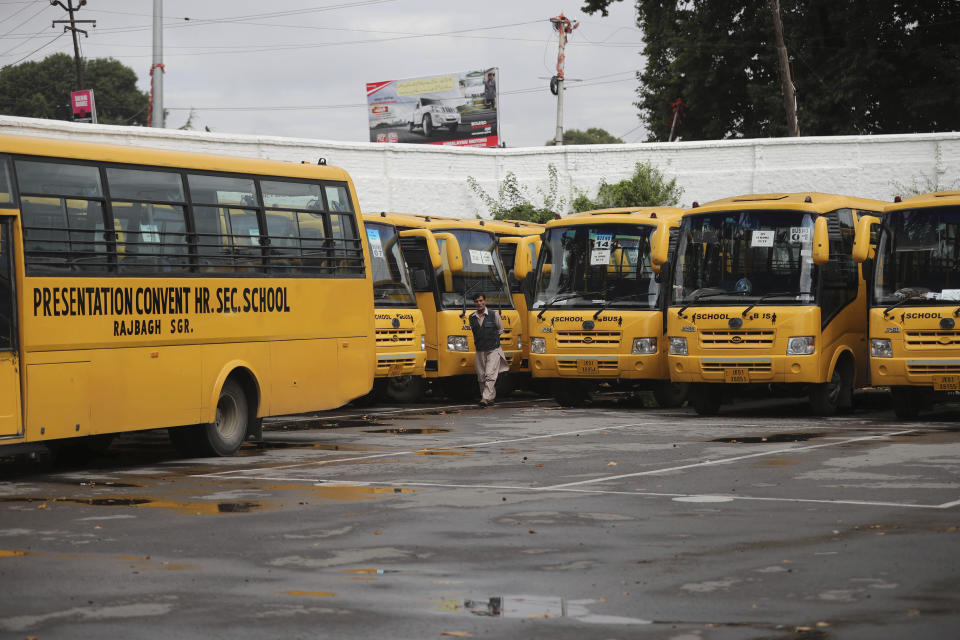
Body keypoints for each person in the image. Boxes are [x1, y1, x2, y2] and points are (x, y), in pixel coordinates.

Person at [469, 293, 508, 407]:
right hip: (480, 350)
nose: (479, 303)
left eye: (481, 301)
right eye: (476, 301)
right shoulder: (471, 317)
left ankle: (485, 398)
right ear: (474, 303)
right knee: (481, 376)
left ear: (485, 301)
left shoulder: (494, 314)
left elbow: (500, 330)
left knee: (490, 373)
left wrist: (493, 341)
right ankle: (489, 398)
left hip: (493, 349)